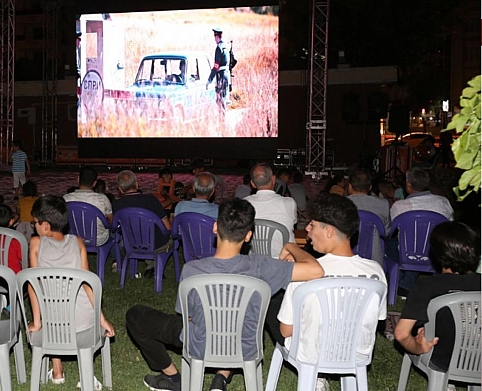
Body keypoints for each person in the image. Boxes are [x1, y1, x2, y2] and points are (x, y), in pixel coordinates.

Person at [126, 199, 324, 391]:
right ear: (248, 236)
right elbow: (316, 271)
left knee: (136, 315)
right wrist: (291, 246)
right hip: (245, 344)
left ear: (215, 228)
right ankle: (221, 377)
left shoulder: (192, 270)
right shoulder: (262, 266)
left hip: (201, 344)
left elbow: (187, 316)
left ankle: (173, 377)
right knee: (237, 322)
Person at [276, 193, 387, 391]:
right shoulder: (376, 271)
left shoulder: (304, 273)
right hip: (356, 353)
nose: (307, 230)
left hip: (312, 352)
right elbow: (377, 320)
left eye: (312, 225)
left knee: (275, 302)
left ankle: (316, 380)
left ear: (328, 231)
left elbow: (286, 330)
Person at [27, 196, 115, 389]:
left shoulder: (35, 244)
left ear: (46, 226)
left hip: (52, 323)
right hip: (83, 320)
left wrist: (37, 322)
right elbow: (88, 284)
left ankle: (57, 371)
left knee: (52, 309)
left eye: (35, 223)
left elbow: (33, 286)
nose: (34, 227)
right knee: (71, 305)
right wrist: (101, 319)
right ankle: (86, 374)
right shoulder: (78, 242)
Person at [394, 222, 481, 374]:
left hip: (442, 359)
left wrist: (419, 347)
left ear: (437, 253)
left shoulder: (427, 287)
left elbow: (401, 334)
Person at [112, 170, 172, 278]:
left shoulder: (116, 205)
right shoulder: (151, 200)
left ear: (120, 189)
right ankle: (153, 265)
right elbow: (168, 227)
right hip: (157, 244)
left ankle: (151, 265)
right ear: (137, 184)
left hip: (131, 244)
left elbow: (116, 227)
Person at [244, 163, 297, 249]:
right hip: (284, 259)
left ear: (252, 184)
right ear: (273, 179)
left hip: (254, 259)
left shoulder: (244, 204)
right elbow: (293, 223)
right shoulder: (289, 203)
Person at [347, 170, 391, 266]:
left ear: (350, 186)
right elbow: (386, 232)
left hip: (346, 258)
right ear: (370, 187)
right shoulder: (383, 204)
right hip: (374, 259)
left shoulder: (340, 204)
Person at [63, 166, 113, 246]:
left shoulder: (66, 198)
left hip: (74, 238)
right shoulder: (102, 199)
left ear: (78, 179)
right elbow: (111, 220)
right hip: (98, 239)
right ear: (94, 183)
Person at [206, 28, 231, 110]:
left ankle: (222, 121)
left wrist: (209, 79)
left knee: (220, 100)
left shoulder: (219, 48)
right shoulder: (226, 47)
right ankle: (223, 119)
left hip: (221, 76)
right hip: (227, 74)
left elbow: (216, 66)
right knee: (224, 98)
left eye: (215, 36)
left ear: (217, 36)